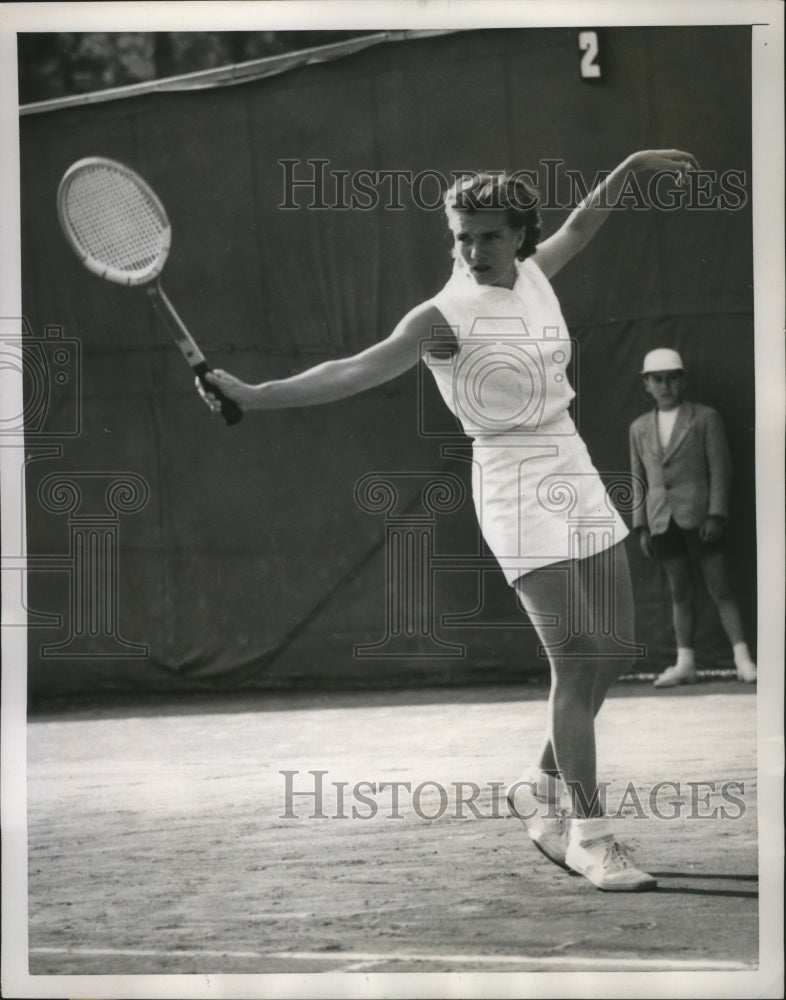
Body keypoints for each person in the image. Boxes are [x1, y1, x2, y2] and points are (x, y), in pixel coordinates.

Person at [199, 149, 699, 892]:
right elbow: (356, 369)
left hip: (570, 464)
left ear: (519, 236)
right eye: (460, 236)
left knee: (615, 650)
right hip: (510, 482)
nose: (471, 250)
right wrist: (255, 392)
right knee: (574, 656)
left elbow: (586, 222)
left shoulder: (533, 272)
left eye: (488, 236)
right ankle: (591, 835)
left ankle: (536, 782)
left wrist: (631, 165)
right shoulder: (444, 316)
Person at [629, 348, 757, 687]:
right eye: (658, 379)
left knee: (720, 587)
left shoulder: (704, 418)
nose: (666, 385)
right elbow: (637, 479)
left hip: (702, 518)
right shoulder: (639, 428)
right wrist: (641, 525)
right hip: (662, 521)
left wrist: (716, 513)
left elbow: (721, 470)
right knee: (680, 592)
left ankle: (743, 659)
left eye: (672, 378)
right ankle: (685, 662)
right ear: (647, 385)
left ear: (683, 381)